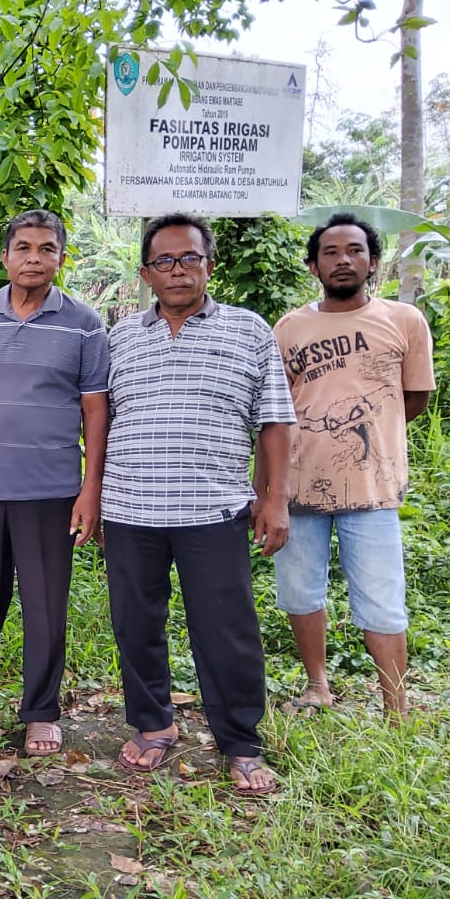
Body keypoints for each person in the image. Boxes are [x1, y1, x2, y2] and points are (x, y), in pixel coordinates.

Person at [102, 214, 295, 797]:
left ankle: (240, 742)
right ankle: (153, 723)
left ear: (210, 265)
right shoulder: (120, 337)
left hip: (214, 510)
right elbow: (100, 419)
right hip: (130, 508)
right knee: (136, 624)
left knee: (226, 630)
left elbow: (275, 420)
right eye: (164, 261)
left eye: (190, 258)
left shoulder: (249, 330)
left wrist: (275, 499)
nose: (178, 270)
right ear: (146, 274)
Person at [0, 211, 108, 756]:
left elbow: (95, 408)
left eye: (47, 248)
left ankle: (41, 712)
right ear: (6, 256)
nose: (35, 258)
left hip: (51, 490)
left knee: (45, 604)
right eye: (24, 247)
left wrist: (90, 487)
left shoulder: (84, 323)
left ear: (61, 258)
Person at [268, 213, 434, 720]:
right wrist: (267, 490)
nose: (344, 260)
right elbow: (274, 414)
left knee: (382, 601)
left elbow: (413, 399)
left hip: (373, 488)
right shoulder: (289, 329)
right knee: (299, 593)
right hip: (300, 487)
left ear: (374, 262)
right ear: (313, 266)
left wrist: (368, 430)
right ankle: (317, 685)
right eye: (331, 252)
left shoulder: (404, 321)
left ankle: (396, 709)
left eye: (355, 250)